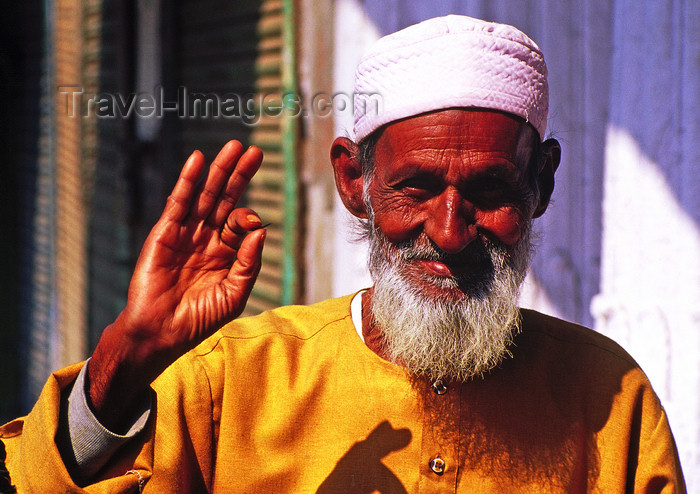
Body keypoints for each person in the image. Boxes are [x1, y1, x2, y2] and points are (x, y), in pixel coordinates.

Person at [0, 14, 685, 493]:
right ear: (355, 183)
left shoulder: (609, 399)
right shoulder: (231, 381)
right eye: (415, 187)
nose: (449, 231)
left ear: (542, 185)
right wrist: (125, 362)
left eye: (490, 190)